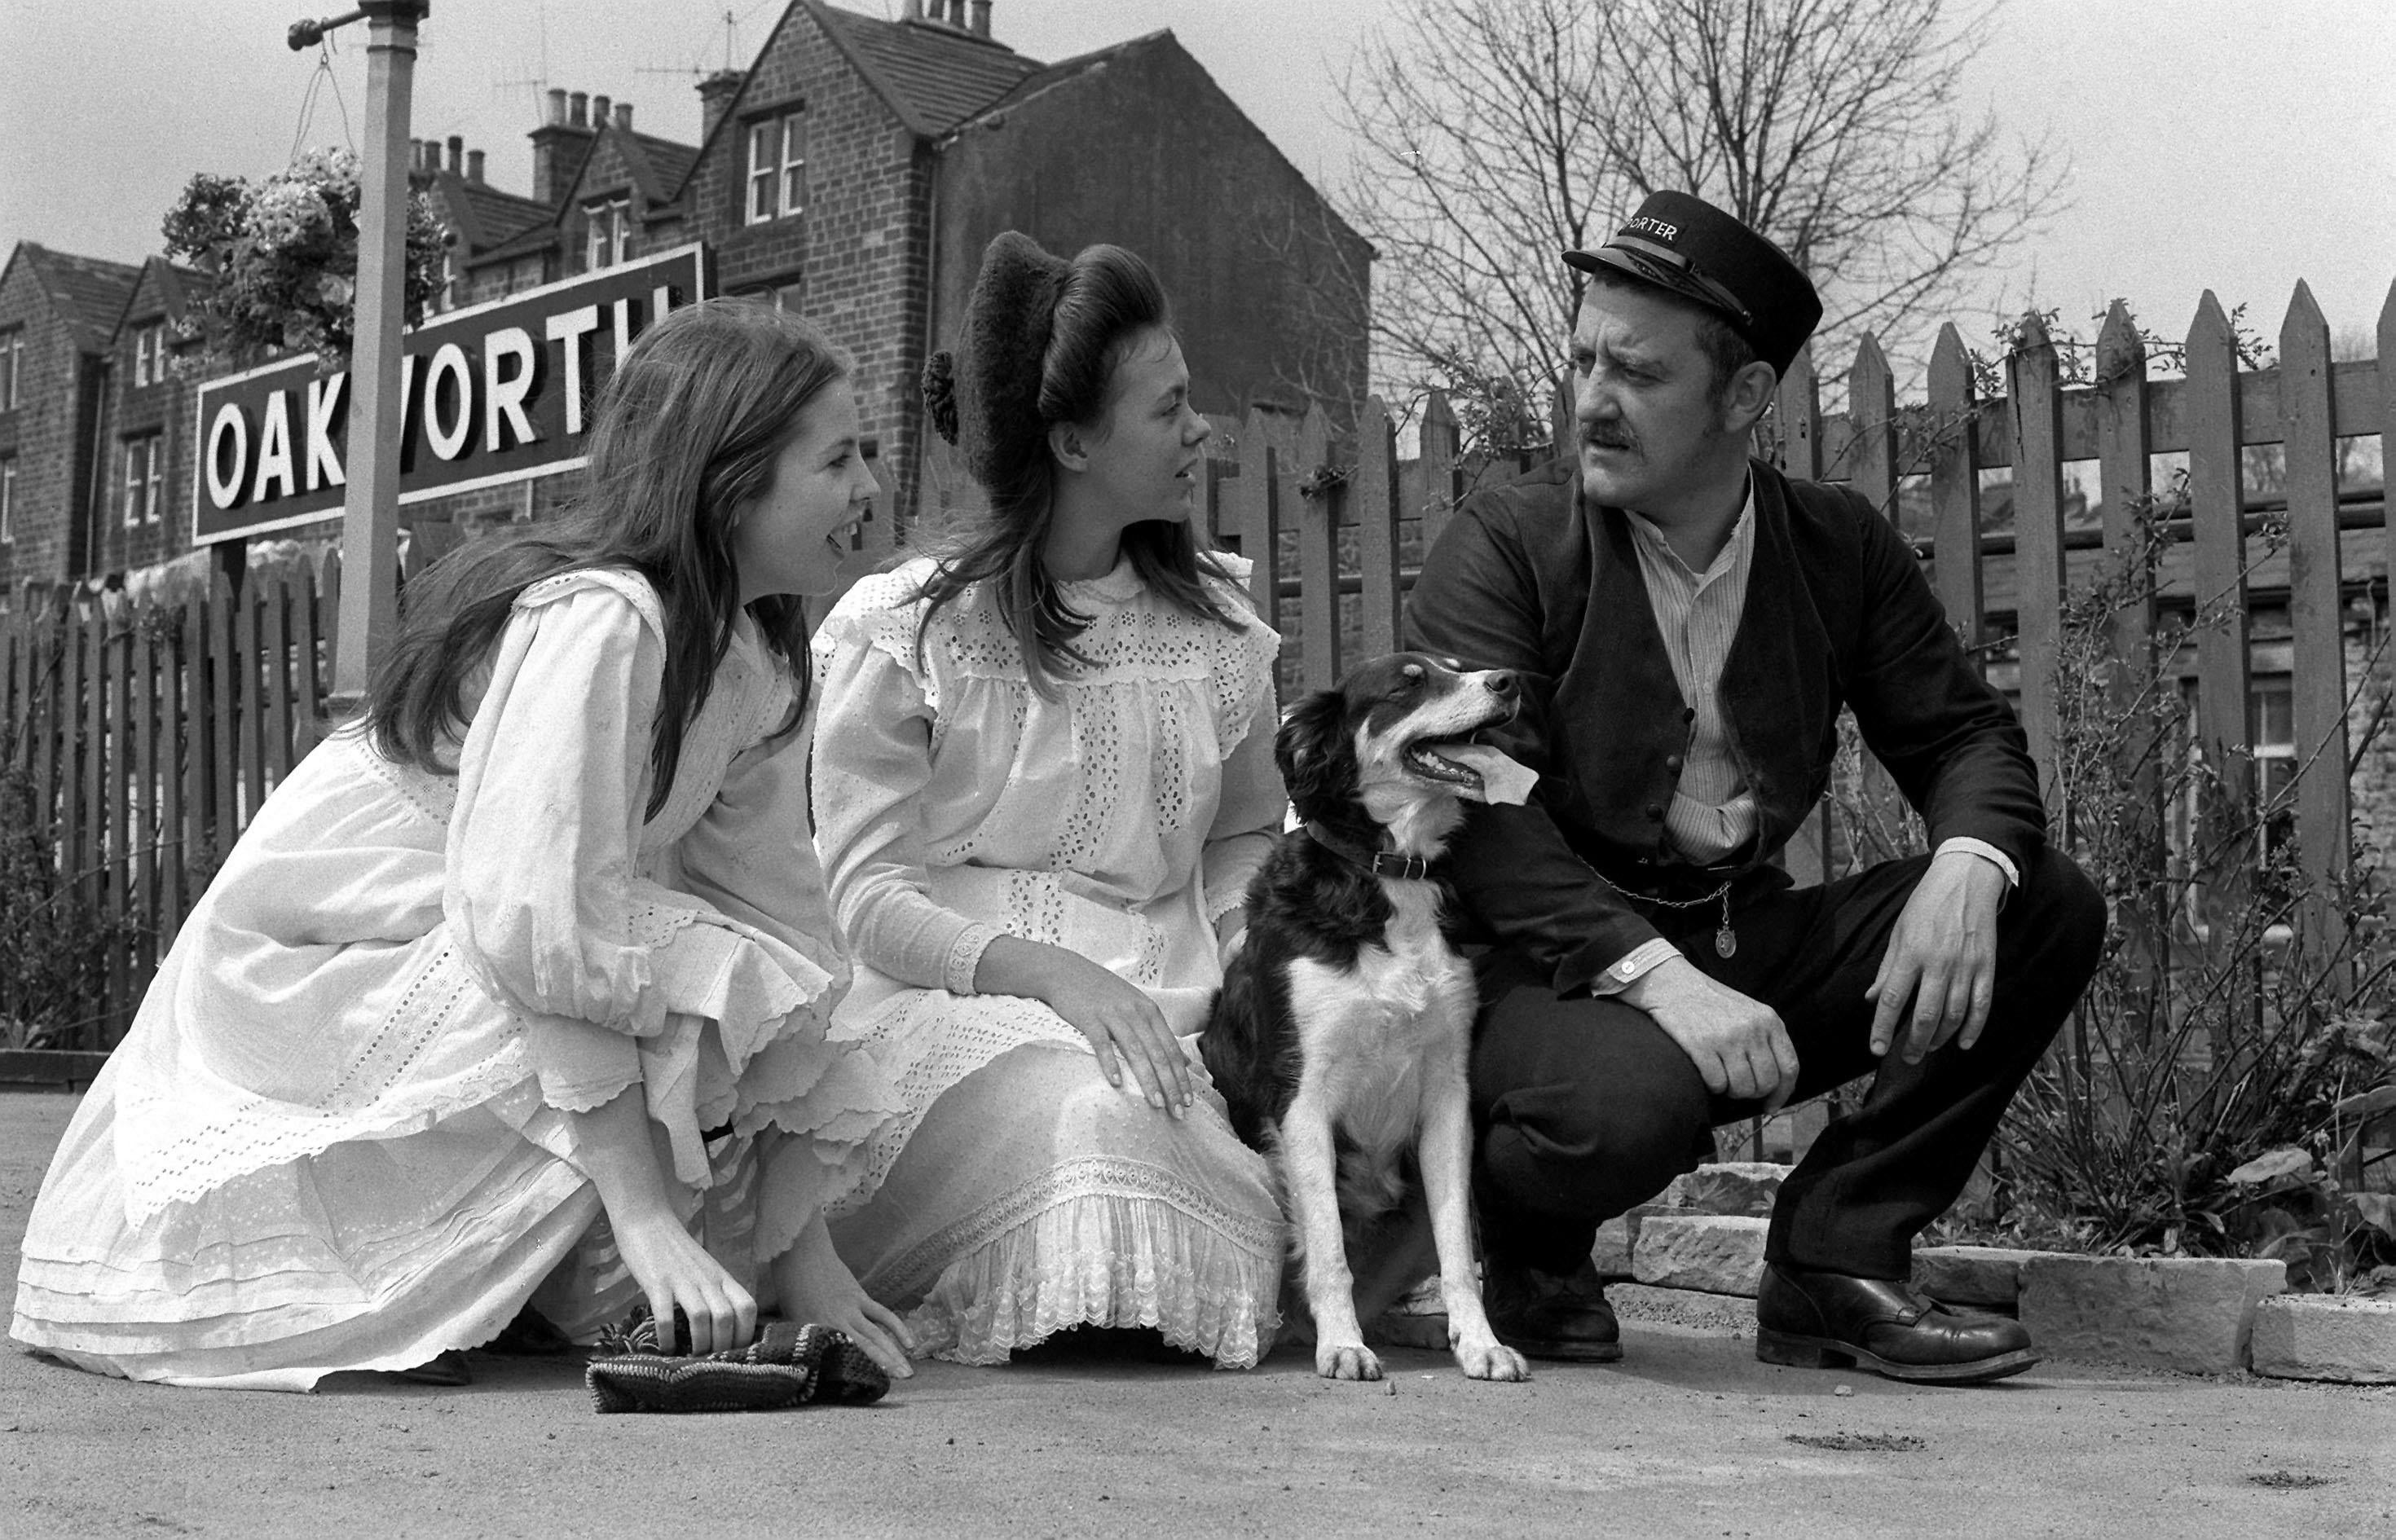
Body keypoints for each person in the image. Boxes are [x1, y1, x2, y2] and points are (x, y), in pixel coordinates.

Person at [10, 301, 915, 1390]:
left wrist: (795, 1252)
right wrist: (636, 1204)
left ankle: (538, 1280)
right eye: (838, 458)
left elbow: (774, 930)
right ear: (728, 486)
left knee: (706, 991)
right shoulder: (605, 618)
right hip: (341, 941)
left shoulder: (758, 659)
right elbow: (531, 920)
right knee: (653, 999)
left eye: (865, 451)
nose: (869, 486)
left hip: (496, 927)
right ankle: (413, 1272)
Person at [1405, 191, 2108, 1384]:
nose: (1590, 399)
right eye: (1582, 358)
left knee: (2044, 900)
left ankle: (1835, 1254)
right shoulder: (1509, 538)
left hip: (1737, 932)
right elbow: (1476, 807)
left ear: (1744, 398)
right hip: (1534, 961)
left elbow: (1967, 741)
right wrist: (1661, 983)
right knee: (1630, 1101)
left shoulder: (1837, 545)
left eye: (1635, 372)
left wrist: (1966, 866)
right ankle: (1519, 1248)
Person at [811, 231, 1286, 1367]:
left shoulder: (1217, 629)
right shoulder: (913, 629)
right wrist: (1059, 979)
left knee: (1145, 1113)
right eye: (1168, 407)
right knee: (1095, 1122)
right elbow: (866, 898)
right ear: (1074, 440)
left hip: (1166, 1015)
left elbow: (1245, 832)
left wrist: (1259, 966)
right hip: (952, 1013)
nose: (1200, 427)